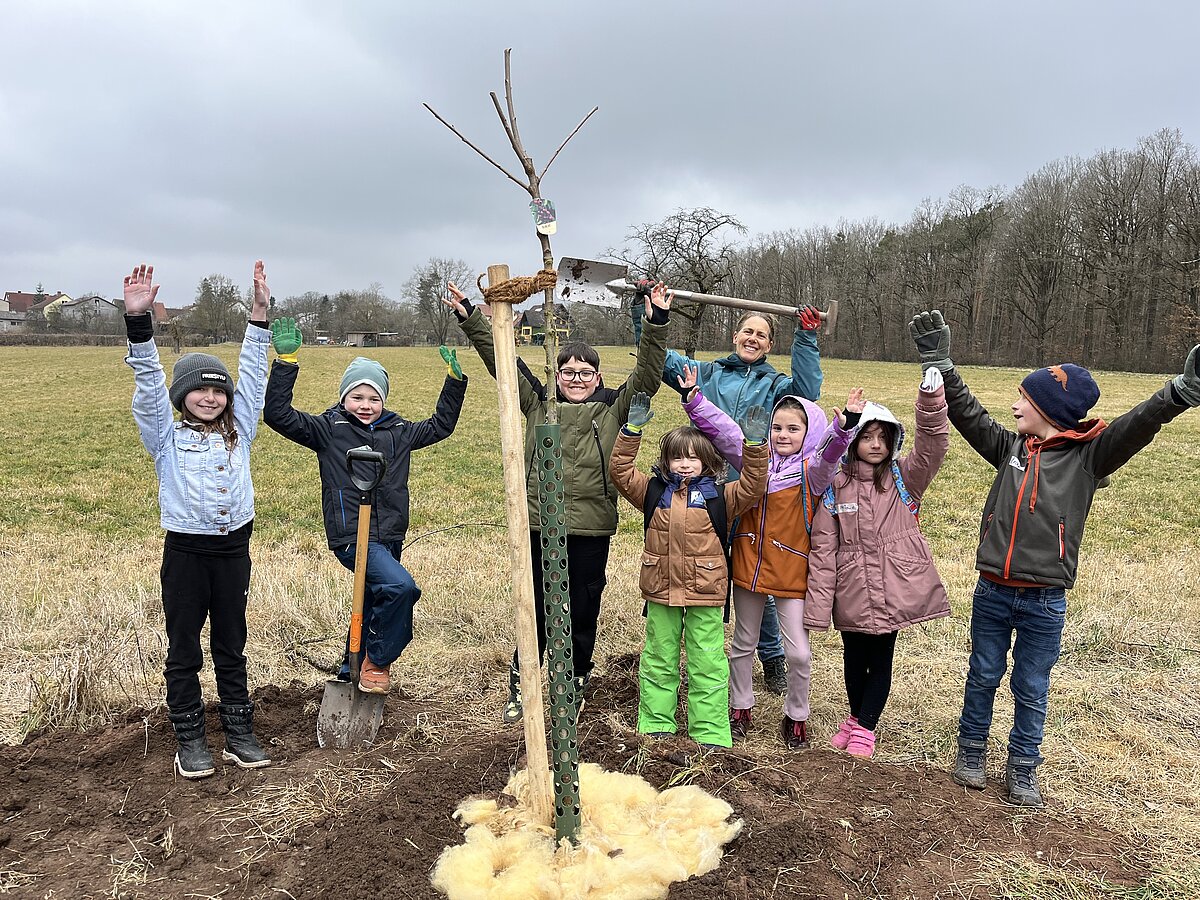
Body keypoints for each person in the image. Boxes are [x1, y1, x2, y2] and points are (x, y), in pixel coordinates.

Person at [910, 310, 1200, 807]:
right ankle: (971, 751)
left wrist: (1179, 393)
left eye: (1024, 398)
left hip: (1044, 600)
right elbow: (970, 414)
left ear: (1049, 409)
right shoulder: (1010, 448)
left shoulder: (1089, 458)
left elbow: (1136, 425)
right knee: (982, 674)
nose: (1014, 404)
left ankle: (1023, 768)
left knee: (1031, 686)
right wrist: (942, 365)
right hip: (993, 591)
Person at [443, 282, 671, 722]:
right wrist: (471, 317)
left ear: (598, 378)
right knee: (535, 608)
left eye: (586, 373)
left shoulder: (614, 407)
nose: (577, 379)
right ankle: (524, 680)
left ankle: (575, 680)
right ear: (556, 374)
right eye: (568, 372)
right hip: (538, 522)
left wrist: (656, 321)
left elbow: (647, 375)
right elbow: (502, 361)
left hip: (590, 527)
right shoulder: (537, 402)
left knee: (583, 609)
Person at [123, 261, 273, 780]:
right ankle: (189, 739)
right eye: (199, 391)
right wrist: (139, 323)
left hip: (233, 552)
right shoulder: (164, 436)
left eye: (218, 391)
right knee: (184, 647)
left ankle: (238, 731)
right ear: (182, 396)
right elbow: (148, 383)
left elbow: (253, 374)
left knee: (231, 644)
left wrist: (259, 315)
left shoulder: (241, 430)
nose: (210, 398)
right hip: (186, 554)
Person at [263, 320, 467, 694]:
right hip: (351, 535)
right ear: (344, 397)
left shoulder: (399, 431)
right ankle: (377, 662)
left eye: (374, 398)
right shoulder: (328, 429)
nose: (366, 406)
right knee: (400, 588)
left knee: (374, 599)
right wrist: (286, 363)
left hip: (389, 534)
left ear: (384, 401)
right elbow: (278, 415)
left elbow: (440, 426)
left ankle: (350, 670)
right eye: (357, 397)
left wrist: (454, 383)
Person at [681, 366, 863, 749]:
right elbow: (726, 432)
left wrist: (843, 428)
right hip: (748, 565)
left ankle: (796, 715)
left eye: (793, 429)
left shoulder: (812, 472)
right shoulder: (756, 461)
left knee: (799, 653)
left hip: (791, 571)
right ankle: (740, 707)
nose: (783, 435)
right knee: (742, 644)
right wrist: (695, 401)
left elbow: (831, 453)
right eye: (777, 427)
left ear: (808, 433)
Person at [662, 306, 825, 695]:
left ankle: (772, 658)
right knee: (701, 569)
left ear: (770, 345)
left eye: (761, 335)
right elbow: (659, 359)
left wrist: (806, 338)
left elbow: (808, 392)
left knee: (757, 574)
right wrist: (647, 315)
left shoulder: (776, 385)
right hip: (705, 489)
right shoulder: (707, 373)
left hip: (755, 491)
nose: (753, 338)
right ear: (735, 336)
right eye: (747, 332)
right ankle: (695, 656)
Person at [804, 367, 951, 759]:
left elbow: (933, 447)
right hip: (851, 590)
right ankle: (855, 717)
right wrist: (817, 609)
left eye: (883, 438)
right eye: (866, 437)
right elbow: (823, 551)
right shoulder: (835, 487)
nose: (875, 445)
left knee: (881, 658)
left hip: (893, 587)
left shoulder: (904, 479)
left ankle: (866, 727)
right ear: (853, 441)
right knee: (854, 659)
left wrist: (931, 401)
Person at [609, 393, 769, 749]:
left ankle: (709, 732)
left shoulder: (721, 496)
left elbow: (755, 484)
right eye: (677, 457)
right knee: (659, 657)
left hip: (706, 592)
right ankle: (656, 724)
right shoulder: (652, 492)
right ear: (666, 462)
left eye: (693, 457)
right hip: (661, 589)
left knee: (707, 661)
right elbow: (620, 472)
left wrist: (755, 446)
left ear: (707, 461)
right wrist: (631, 431)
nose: (684, 464)